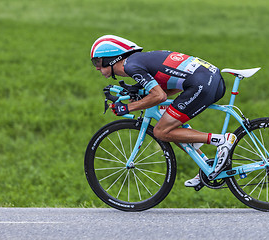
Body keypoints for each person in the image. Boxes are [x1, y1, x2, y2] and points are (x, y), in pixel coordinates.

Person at [90, 35, 236, 188]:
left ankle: (221, 140)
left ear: (111, 59)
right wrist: (142, 97)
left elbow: (159, 96)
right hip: (209, 79)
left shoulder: (130, 66)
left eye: (97, 62)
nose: (97, 68)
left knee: (161, 132)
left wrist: (127, 108)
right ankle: (206, 166)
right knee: (170, 129)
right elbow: (172, 85)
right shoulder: (139, 60)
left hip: (203, 84)